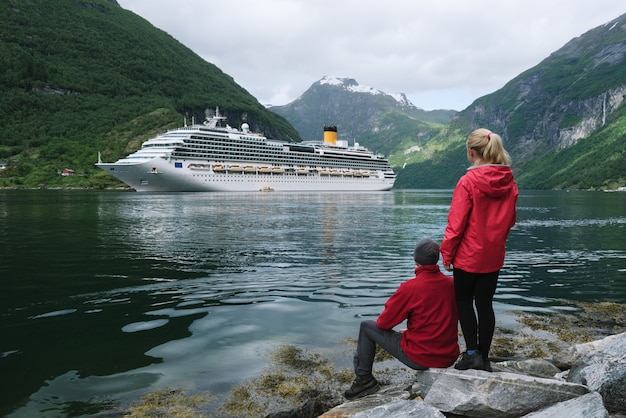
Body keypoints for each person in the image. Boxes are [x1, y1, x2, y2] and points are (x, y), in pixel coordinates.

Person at [440, 128, 518, 372]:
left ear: (471, 153)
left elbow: (456, 223)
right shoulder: (509, 181)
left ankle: (472, 353)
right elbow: (510, 220)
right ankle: (484, 358)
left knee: (463, 301)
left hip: (468, 255)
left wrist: (447, 253)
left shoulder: (468, 181)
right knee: (485, 304)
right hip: (493, 254)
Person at [344, 238, 460, 400]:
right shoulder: (452, 284)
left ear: (415, 261)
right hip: (449, 356)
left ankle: (364, 380)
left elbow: (384, 323)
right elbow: (443, 317)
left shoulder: (410, 288)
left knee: (366, 327)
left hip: (421, 357)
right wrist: (413, 331)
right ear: (437, 260)